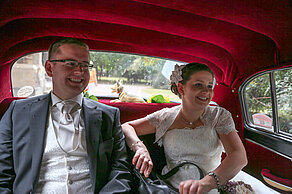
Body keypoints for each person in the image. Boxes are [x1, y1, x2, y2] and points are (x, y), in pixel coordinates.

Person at [0, 38, 132, 194]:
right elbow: (2, 173)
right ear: (49, 68)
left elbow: (120, 171)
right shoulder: (18, 112)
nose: (79, 71)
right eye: (70, 63)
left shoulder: (109, 115)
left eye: (84, 65)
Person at [122, 63, 279, 194]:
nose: (206, 92)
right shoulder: (165, 117)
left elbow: (238, 156)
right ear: (181, 89)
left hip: (214, 184)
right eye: (199, 85)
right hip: (172, 187)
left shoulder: (219, 116)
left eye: (210, 86)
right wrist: (140, 147)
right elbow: (127, 127)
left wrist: (208, 183)